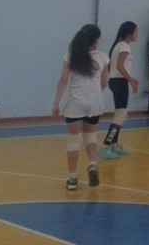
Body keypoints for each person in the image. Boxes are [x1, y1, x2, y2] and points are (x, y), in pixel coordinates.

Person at [51, 24, 110, 190]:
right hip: (95, 102)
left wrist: (56, 102)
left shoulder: (72, 55)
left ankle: (72, 178)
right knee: (91, 136)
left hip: (76, 101)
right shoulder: (103, 57)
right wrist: (94, 94)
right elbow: (104, 82)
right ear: (95, 40)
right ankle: (92, 164)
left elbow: (64, 79)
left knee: (74, 140)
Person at [99, 21, 140, 159]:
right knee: (121, 115)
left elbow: (118, 67)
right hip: (119, 82)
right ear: (130, 33)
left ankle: (114, 144)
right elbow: (120, 66)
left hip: (117, 81)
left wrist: (131, 79)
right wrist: (131, 81)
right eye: (136, 31)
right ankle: (106, 145)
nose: (137, 34)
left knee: (120, 114)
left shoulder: (119, 45)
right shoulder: (124, 46)